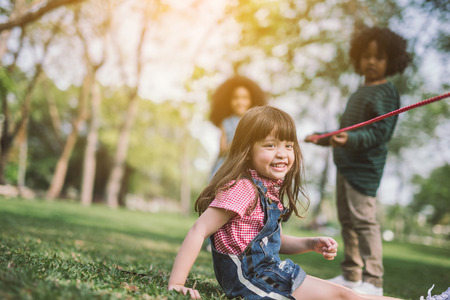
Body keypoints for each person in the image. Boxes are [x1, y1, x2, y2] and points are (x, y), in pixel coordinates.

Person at [168, 106, 406, 299]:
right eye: (270, 145)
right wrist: (178, 283)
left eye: (288, 145)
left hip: (274, 273)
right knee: (344, 298)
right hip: (254, 280)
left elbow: (273, 242)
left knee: (348, 294)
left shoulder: (268, 190)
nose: (282, 153)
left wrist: (310, 243)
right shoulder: (243, 188)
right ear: (247, 150)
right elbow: (199, 230)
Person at [305, 26, 412, 296]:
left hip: (364, 170)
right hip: (345, 166)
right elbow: (347, 131)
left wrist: (349, 140)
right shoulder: (360, 90)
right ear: (357, 58)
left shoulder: (386, 92)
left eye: (379, 57)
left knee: (364, 221)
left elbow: (379, 132)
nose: (371, 62)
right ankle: (352, 274)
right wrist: (324, 138)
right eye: (366, 56)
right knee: (347, 221)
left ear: (392, 60)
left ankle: (373, 280)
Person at [209, 75, 267, 178]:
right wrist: (237, 143)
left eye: (245, 98)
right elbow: (222, 149)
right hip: (228, 164)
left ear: (251, 101)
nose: (240, 102)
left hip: (249, 164)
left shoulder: (255, 121)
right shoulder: (225, 122)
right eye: (236, 98)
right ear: (229, 101)